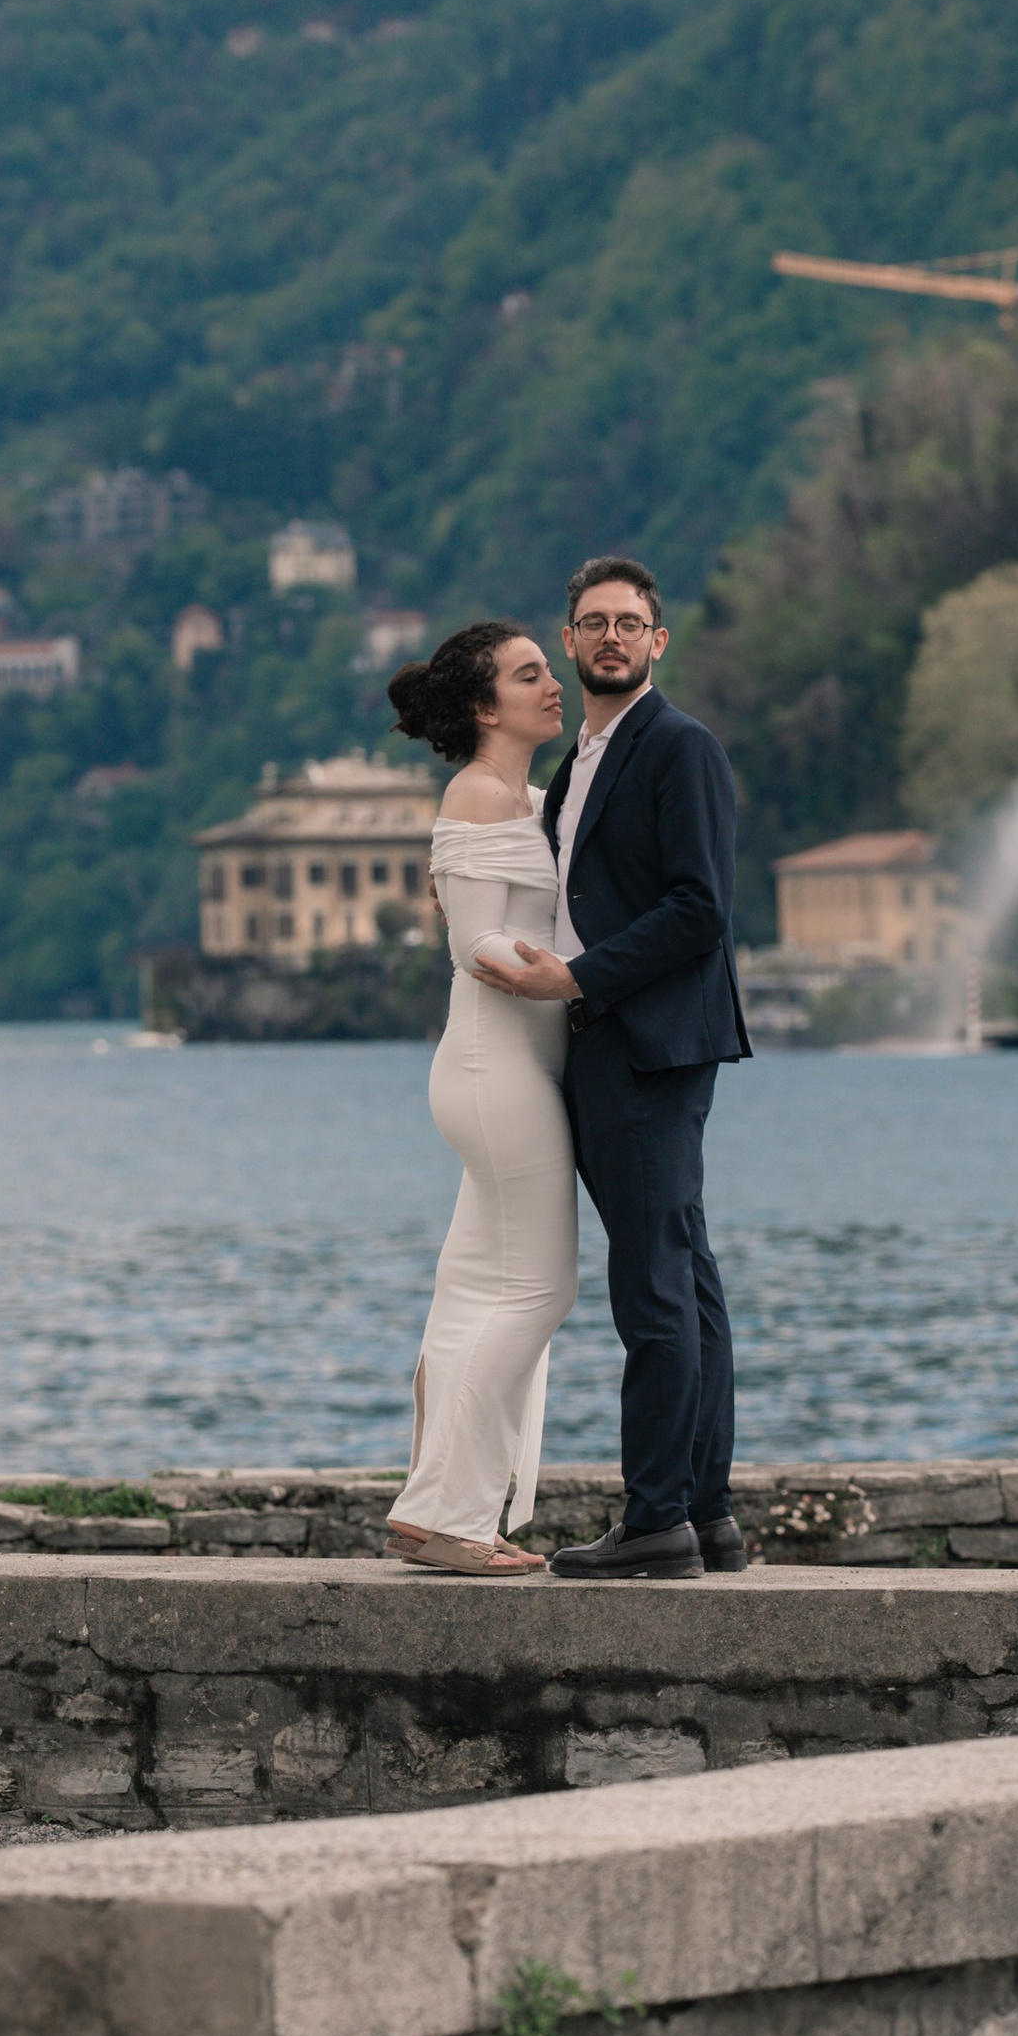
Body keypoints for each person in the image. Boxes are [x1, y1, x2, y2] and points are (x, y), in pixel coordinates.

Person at [468, 554, 752, 1580]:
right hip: (612, 1042)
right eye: (593, 623)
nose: (611, 638)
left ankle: (655, 1522)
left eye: (630, 622)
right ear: (573, 639)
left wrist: (577, 982)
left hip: (648, 1044)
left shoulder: (679, 748)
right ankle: (708, 1517)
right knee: (684, 1274)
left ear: (658, 641)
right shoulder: (581, 765)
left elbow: (699, 910)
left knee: (652, 1289)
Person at [383, 620, 577, 1577]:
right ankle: (459, 1518)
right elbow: (474, 943)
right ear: (484, 706)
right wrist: (570, 980)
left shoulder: (529, 799)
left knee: (469, 1294)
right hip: (492, 1069)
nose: (555, 684)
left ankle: (432, 1510)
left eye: (549, 670)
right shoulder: (474, 791)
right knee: (542, 1287)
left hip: (507, 1069)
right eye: (530, 674)